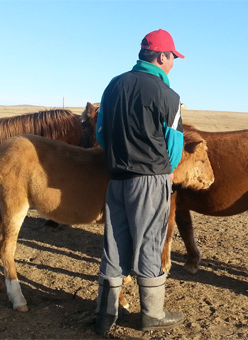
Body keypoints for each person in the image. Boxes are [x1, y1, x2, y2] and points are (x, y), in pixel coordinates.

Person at [93, 29, 185, 335]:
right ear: (161, 56)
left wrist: (120, 158)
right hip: (150, 179)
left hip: (116, 179)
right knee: (149, 242)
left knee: (114, 243)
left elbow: (100, 134)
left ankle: (105, 315)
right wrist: (162, 171)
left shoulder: (113, 86)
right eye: (172, 58)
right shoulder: (168, 95)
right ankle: (152, 314)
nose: (172, 64)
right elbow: (173, 147)